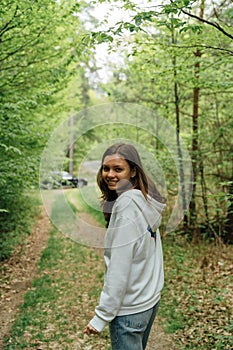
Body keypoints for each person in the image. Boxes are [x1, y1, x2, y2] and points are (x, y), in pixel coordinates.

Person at [83, 143, 166, 350]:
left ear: (133, 170)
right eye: (106, 168)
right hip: (148, 302)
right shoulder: (143, 199)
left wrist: (102, 316)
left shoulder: (127, 206)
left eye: (118, 169)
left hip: (130, 310)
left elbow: (119, 268)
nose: (110, 174)